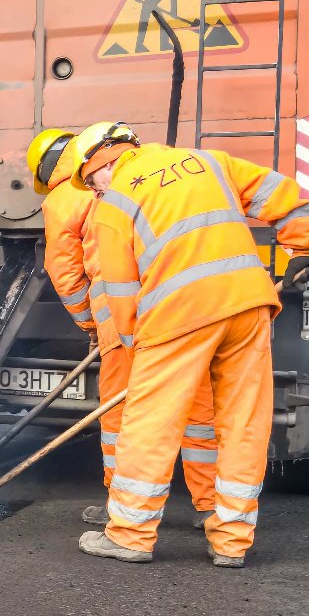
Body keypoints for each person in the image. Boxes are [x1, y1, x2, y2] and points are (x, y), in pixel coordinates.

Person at [73, 122, 309, 569]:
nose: (94, 191)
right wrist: (301, 249)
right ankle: (231, 544)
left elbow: (121, 291)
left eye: (91, 181)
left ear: (104, 160)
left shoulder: (114, 206)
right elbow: (284, 194)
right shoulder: (210, 161)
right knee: (244, 423)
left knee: (150, 423)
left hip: (177, 315)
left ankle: (130, 535)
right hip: (247, 307)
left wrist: (132, 346)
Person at [26, 127, 218, 532]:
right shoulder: (139, 174)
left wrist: (88, 324)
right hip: (173, 297)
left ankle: (123, 508)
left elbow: (64, 271)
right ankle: (211, 506)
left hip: (117, 307)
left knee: (122, 413)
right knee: (196, 405)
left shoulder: (63, 197)